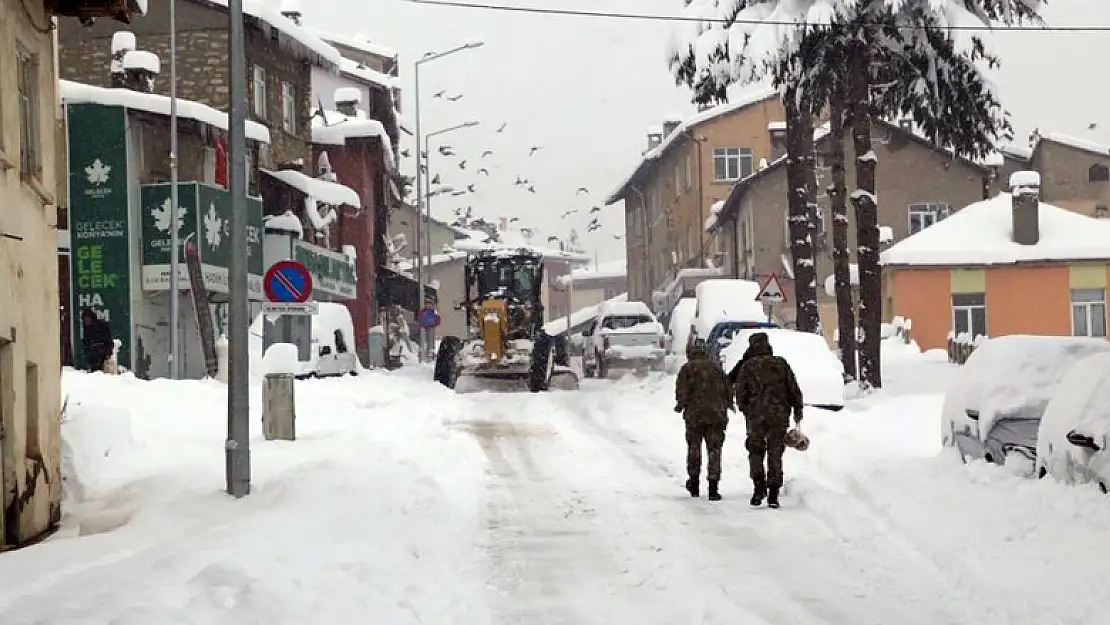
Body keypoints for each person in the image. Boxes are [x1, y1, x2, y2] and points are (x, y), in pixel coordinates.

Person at [733, 332, 804, 508]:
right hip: (779, 416)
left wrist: (747, 410)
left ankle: (758, 488)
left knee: (755, 450)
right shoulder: (780, 364)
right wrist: (797, 410)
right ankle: (773, 493)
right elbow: (793, 389)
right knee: (775, 452)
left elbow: (740, 393)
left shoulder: (748, 367)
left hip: (756, 417)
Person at [674, 341, 734, 501]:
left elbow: (682, 392)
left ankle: (694, 483)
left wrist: (681, 405)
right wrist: (727, 405)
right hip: (716, 416)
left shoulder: (687, 369)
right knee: (714, 450)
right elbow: (728, 390)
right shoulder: (716, 368)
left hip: (695, 416)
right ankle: (713, 487)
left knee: (694, 448)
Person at [80, 309, 113, 373]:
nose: (87, 321)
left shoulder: (102, 326)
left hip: (102, 354)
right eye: (85, 319)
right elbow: (86, 343)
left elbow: (108, 340)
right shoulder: (86, 329)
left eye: (88, 318)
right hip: (93, 357)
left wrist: (108, 351)